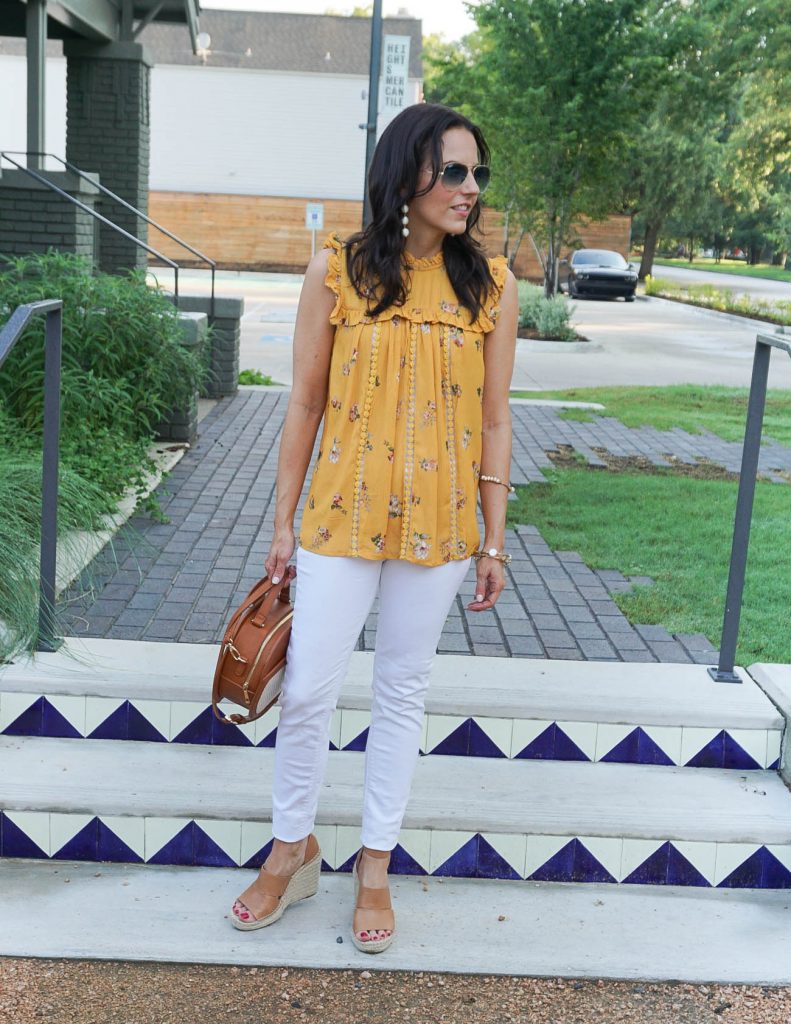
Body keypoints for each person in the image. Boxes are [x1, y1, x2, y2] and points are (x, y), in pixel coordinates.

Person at [230, 102, 517, 953]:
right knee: (311, 688)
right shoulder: (337, 273)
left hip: (439, 529)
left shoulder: (491, 286)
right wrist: (279, 523)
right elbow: (306, 404)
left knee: (400, 692)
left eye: (477, 175)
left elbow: (496, 420)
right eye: (454, 172)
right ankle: (292, 849)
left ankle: (376, 865)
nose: (470, 190)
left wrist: (493, 538)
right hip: (336, 519)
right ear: (407, 173)